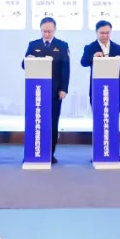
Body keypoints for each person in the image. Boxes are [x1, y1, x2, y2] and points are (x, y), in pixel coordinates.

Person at [22, 17, 70, 163]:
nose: (47, 34)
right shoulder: (33, 45)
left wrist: (64, 89)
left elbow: (65, 69)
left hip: (55, 91)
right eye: (44, 31)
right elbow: (24, 65)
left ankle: (49, 153)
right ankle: (34, 151)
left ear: (55, 30)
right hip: (36, 91)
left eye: (49, 31)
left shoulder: (62, 45)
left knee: (52, 122)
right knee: (35, 121)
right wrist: (28, 59)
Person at [80, 19, 120, 103]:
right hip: (97, 86)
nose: (105, 35)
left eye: (107, 33)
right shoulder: (90, 47)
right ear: (96, 32)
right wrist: (93, 57)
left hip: (114, 86)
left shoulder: (117, 48)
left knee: (114, 109)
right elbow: (83, 62)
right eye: (102, 33)